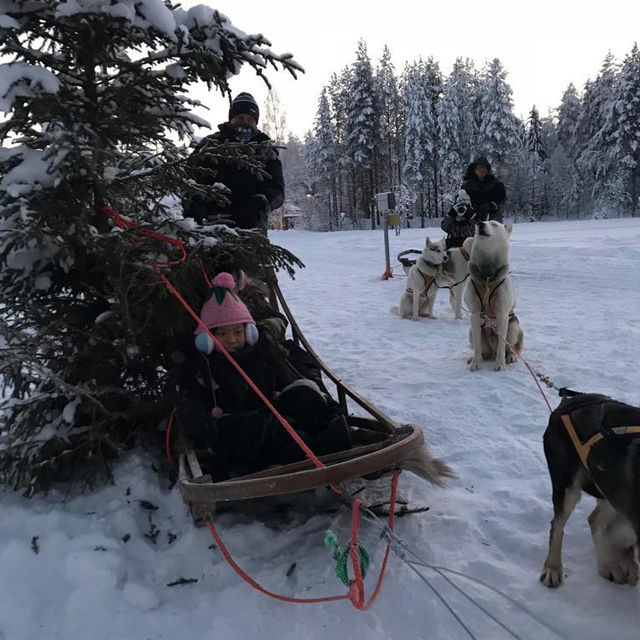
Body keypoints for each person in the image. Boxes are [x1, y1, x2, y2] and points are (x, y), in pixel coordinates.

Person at [176, 273, 350, 478]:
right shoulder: (202, 367)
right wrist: (209, 428)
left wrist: (304, 392)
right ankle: (314, 448)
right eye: (221, 334)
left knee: (305, 391)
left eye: (238, 332)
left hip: (273, 416)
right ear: (208, 338)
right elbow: (192, 409)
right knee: (260, 427)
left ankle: (328, 431)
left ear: (249, 332)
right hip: (237, 431)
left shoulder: (262, 353)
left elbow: (297, 367)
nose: (231, 340)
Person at [183, 92, 285, 232]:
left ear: (256, 122)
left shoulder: (266, 151)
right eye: (240, 118)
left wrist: (257, 207)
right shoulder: (210, 145)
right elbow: (190, 179)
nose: (245, 122)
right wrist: (195, 208)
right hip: (209, 226)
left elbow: (276, 189)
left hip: (251, 228)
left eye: (250, 119)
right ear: (231, 119)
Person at [460, 156, 506, 222]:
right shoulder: (467, 185)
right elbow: (461, 199)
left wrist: (490, 206)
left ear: (487, 169)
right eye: (478, 168)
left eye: (483, 167)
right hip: (472, 218)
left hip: (492, 217)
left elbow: (502, 198)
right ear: (474, 170)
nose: (481, 170)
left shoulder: (496, 183)